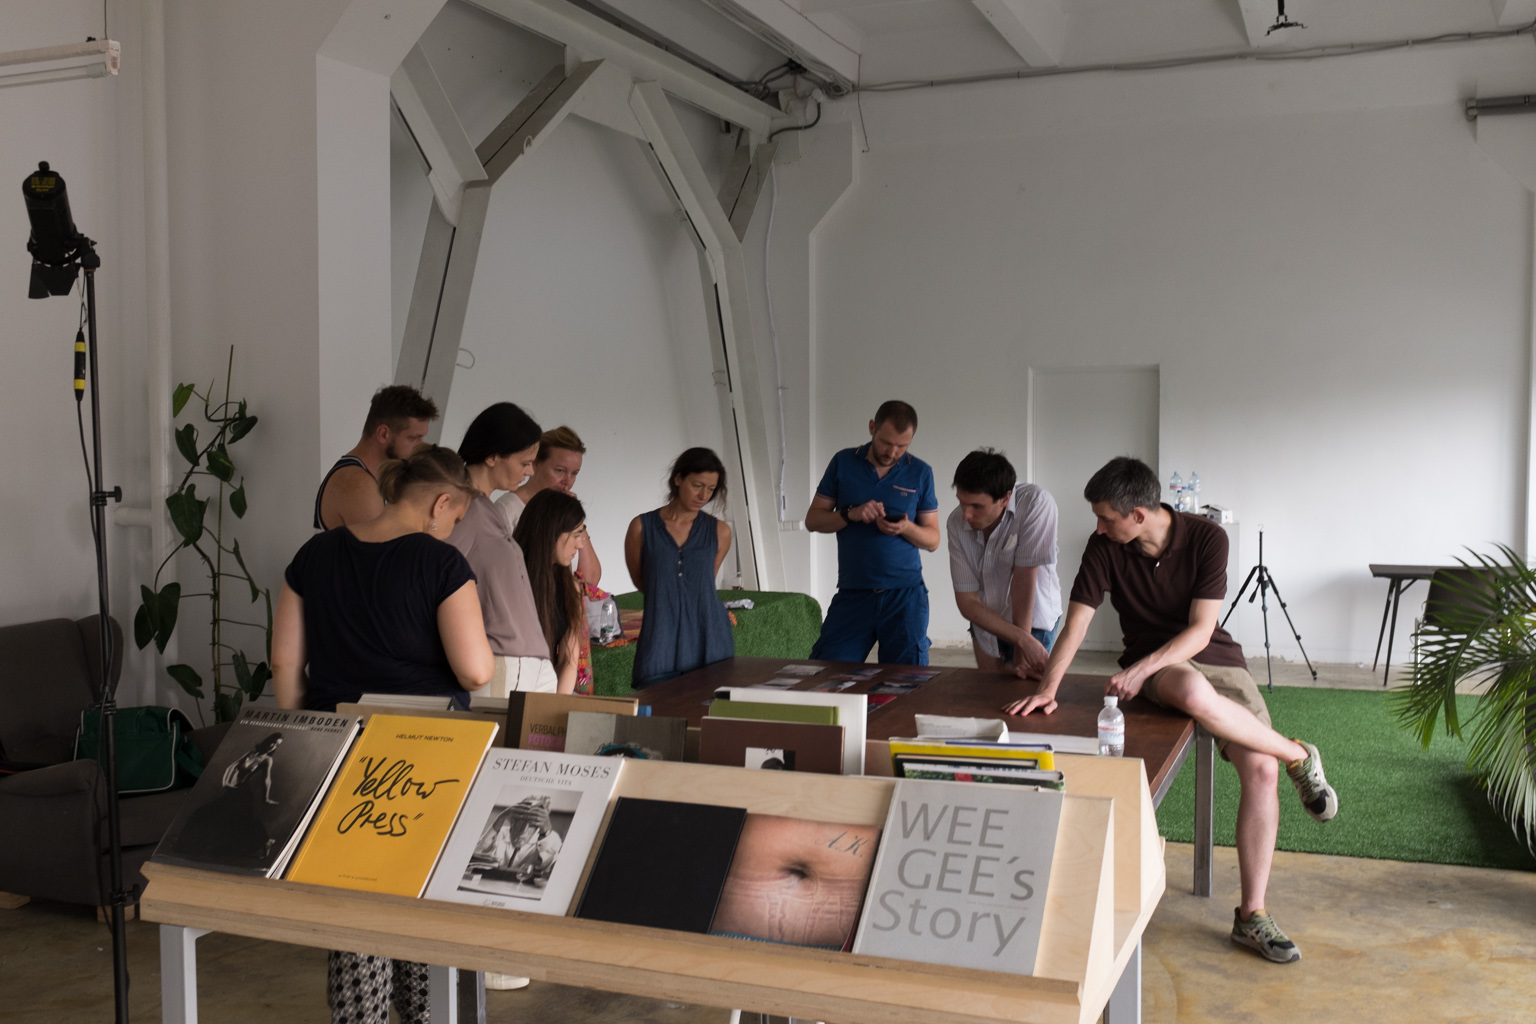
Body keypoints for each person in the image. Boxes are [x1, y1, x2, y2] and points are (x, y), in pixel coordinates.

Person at [1003, 456, 1338, 964]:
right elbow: (1077, 624)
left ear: (1138, 515)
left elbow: (1202, 630)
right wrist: (1050, 686)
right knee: (1196, 696)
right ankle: (1299, 755)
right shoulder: (1104, 547)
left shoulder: (1208, 539)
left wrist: (1140, 670)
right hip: (1167, 671)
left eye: (1106, 519)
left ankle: (1252, 914)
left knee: (1262, 769)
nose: (1098, 528)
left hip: (1215, 659)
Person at [273, 445, 493, 1024]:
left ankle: (359, 1016)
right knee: (421, 891)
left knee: (354, 891)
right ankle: (426, 1012)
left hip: (336, 746)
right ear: (441, 503)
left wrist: (304, 737)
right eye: (456, 518)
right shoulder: (441, 564)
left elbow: (285, 663)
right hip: (426, 754)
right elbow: (475, 670)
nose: (453, 529)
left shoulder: (315, 554)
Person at [806, 401, 940, 665]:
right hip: (854, 593)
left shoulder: (921, 472)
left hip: (905, 595)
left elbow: (933, 540)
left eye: (902, 446)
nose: (892, 452)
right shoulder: (843, 462)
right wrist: (850, 514)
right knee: (828, 672)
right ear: (871, 427)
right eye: (885, 443)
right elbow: (813, 520)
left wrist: (906, 527)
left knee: (905, 681)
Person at [451, 402, 560, 695]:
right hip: (502, 656)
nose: (529, 472)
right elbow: (439, 578)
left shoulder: (485, 506)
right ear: (492, 456)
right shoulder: (462, 507)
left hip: (527, 656)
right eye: (524, 463)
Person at [624, 448, 734, 688]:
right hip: (659, 639)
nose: (703, 495)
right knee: (655, 703)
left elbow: (704, 584)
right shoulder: (641, 527)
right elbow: (643, 582)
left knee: (708, 706)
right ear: (678, 479)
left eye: (711, 489)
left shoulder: (720, 532)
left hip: (709, 638)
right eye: (697, 485)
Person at [947, 448, 1061, 676]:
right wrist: (1020, 639)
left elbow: (1023, 583)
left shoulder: (1036, 504)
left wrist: (1023, 644)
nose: (966, 515)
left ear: (1005, 499)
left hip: (1033, 621)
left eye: (977, 506)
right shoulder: (956, 522)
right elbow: (967, 601)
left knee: (1022, 692)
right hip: (986, 620)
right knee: (989, 688)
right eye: (962, 502)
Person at [313, 384, 439, 531]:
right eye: (413, 438)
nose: (420, 445)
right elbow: (388, 545)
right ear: (383, 434)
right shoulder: (358, 484)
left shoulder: (383, 477)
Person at [496, 425, 603, 586]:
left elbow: (590, 580)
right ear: (536, 463)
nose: (568, 481)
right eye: (560, 470)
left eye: (574, 473)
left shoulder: (565, 511)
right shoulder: (507, 511)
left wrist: (577, 522)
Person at [513, 489, 593, 695]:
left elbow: (568, 661)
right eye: (576, 535)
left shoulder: (570, 587)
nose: (580, 544)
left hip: (549, 692)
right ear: (551, 533)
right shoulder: (510, 579)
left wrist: (553, 707)